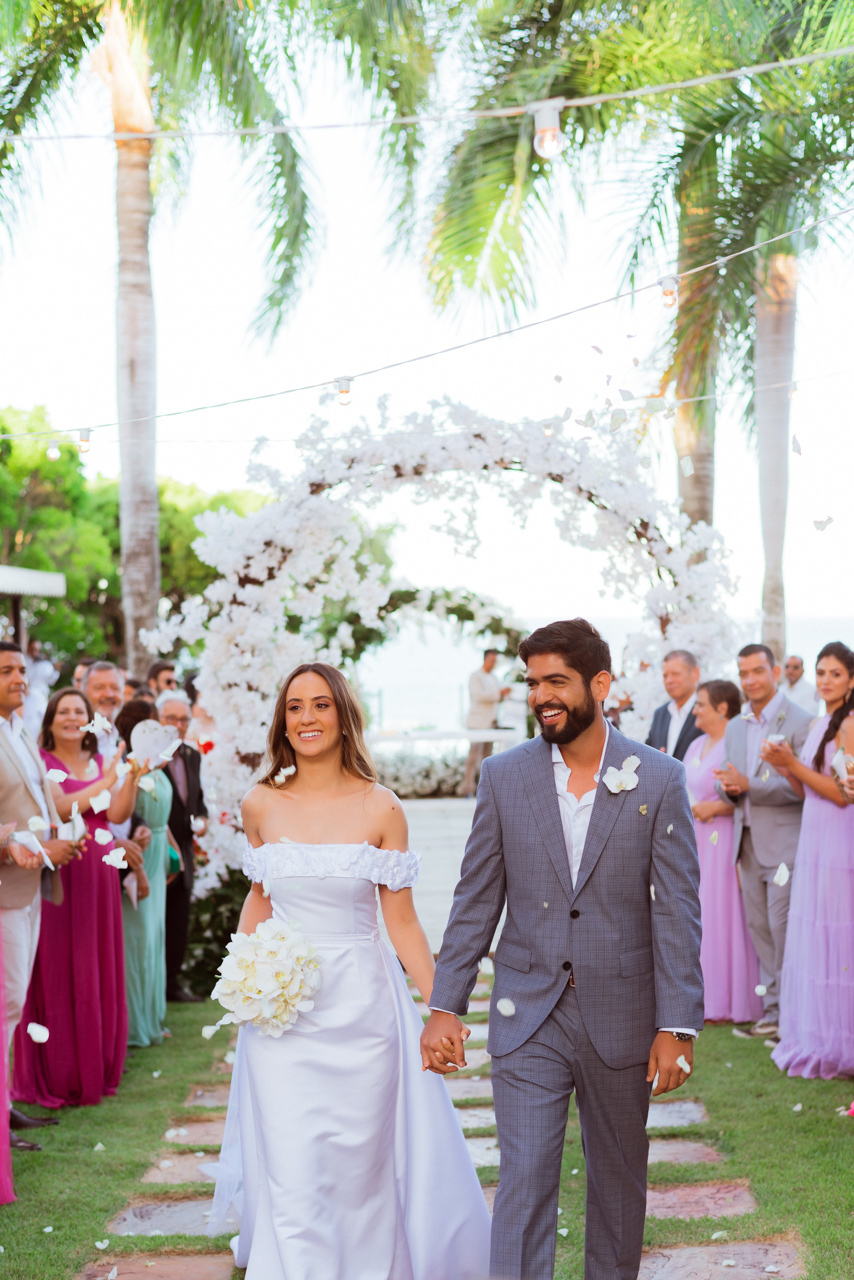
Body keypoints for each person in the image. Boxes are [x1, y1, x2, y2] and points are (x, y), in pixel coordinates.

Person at [422, 619, 703, 1280]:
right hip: (528, 1013)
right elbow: (475, 900)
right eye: (532, 683)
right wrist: (445, 1004)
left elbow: (678, 908)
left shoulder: (658, 779)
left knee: (617, 1182)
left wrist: (678, 1022)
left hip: (625, 1014)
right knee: (522, 1179)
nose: (541, 696)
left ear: (599, 684)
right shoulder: (502, 776)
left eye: (556, 682)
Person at [210, 662, 490, 1278]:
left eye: (319, 705)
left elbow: (405, 923)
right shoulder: (258, 804)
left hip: (363, 1009)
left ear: (343, 716)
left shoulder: (381, 807)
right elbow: (261, 894)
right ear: (282, 723)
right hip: (282, 1017)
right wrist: (242, 979)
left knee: (359, 1161)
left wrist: (441, 1009)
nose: (307, 718)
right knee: (292, 1157)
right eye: (294, 708)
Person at [13, 688, 142, 1108]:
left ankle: (96, 1066)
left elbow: (117, 814)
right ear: (49, 721)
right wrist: (105, 782)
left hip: (99, 880)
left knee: (94, 965)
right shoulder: (41, 763)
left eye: (79, 712)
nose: (72, 718)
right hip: (60, 876)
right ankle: (58, 1070)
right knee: (57, 967)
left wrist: (131, 778)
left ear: (89, 721)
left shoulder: (101, 762)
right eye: (63, 711)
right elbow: (59, 806)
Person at [714, 644, 813, 1041]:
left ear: (775, 672)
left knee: (783, 929)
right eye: (744, 673)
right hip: (747, 843)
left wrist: (748, 784)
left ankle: (793, 1017)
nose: (751, 680)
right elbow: (727, 784)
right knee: (761, 931)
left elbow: (803, 788)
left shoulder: (802, 722)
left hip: (787, 843)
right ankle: (772, 1015)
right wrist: (732, 791)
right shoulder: (736, 726)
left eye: (758, 671)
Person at [765, 643, 854, 1078]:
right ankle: (819, 1033)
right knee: (815, 930)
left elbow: (843, 793)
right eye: (821, 672)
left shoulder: (851, 725)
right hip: (814, 837)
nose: (825, 680)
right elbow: (809, 791)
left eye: (836, 673)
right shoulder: (820, 722)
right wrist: (784, 768)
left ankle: (842, 1042)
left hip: (840, 841)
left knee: (839, 937)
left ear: (851, 680)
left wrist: (791, 764)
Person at [0, 642, 75, 1151]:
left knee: (13, 1000)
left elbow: (39, 798)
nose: (19, 679)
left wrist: (61, 834)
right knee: (4, 1000)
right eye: (6, 671)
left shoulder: (19, 730)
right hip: (6, 881)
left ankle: (4, 1105)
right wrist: (12, 842)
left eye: (22, 670)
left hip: (32, 881)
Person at [684, 680, 762, 1024]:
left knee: (723, 914)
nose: (695, 710)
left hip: (725, 837)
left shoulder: (738, 741)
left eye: (701, 704)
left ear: (723, 708)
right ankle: (702, 995)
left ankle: (731, 1000)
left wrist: (715, 809)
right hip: (696, 838)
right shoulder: (697, 743)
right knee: (700, 914)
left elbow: (750, 794)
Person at [115, 700, 173, 1047]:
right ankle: (136, 1024)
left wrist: (174, 854)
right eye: (154, 724)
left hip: (161, 848)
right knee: (137, 937)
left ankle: (154, 1017)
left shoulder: (158, 763)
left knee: (155, 936)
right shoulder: (129, 768)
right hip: (139, 850)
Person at [157, 690, 207, 1002]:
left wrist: (202, 818)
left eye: (183, 720)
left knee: (179, 919)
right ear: (158, 720)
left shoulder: (192, 755)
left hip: (186, 849)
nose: (178, 725)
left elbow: (198, 800)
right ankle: (155, 984)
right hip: (158, 848)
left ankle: (173, 983)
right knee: (156, 919)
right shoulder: (147, 756)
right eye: (171, 719)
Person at [84, 661, 152, 876]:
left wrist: (140, 825)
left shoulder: (119, 741)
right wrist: (112, 842)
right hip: (90, 857)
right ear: (84, 692)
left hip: (121, 863)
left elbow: (121, 792)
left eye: (115, 688)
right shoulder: (77, 740)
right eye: (99, 687)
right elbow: (68, 805)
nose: (109, 694)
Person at [462, 649, 510, 796]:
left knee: (488, 757)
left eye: (495, 661)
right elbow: (479, 696)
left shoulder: (494, 678)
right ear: (485, 659)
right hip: (477, 723)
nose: (493, 663)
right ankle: (468, 789)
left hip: (491, 723)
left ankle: (484, 791)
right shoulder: (475, 676)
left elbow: (496, 699)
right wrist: (499, 694)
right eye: (491, 660)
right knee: (473, 757)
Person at [645, 649, 704, 761]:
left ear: (695, 673)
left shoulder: (707, 710)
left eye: (676, 674)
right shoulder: (660, 714)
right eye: (665, 676)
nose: (669, 680)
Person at [23, 639, 58, 739]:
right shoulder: (24, 662)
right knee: (31, 726)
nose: (35, 652)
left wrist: (56, 670)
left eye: (37, 650)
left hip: (42, 698)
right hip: (29, 699)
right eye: (33, 649)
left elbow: (51, 680)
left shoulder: (45, 664)